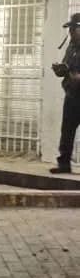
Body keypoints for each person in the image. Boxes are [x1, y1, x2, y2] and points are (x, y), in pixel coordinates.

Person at [50, 12, 80, 174]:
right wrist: (60, 70)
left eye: (74, 29)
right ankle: (64, 164)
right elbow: (67, 68)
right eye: (70, 29)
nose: (70, 32)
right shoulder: (71, 46)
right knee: (67, 130)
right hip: (72, 95)